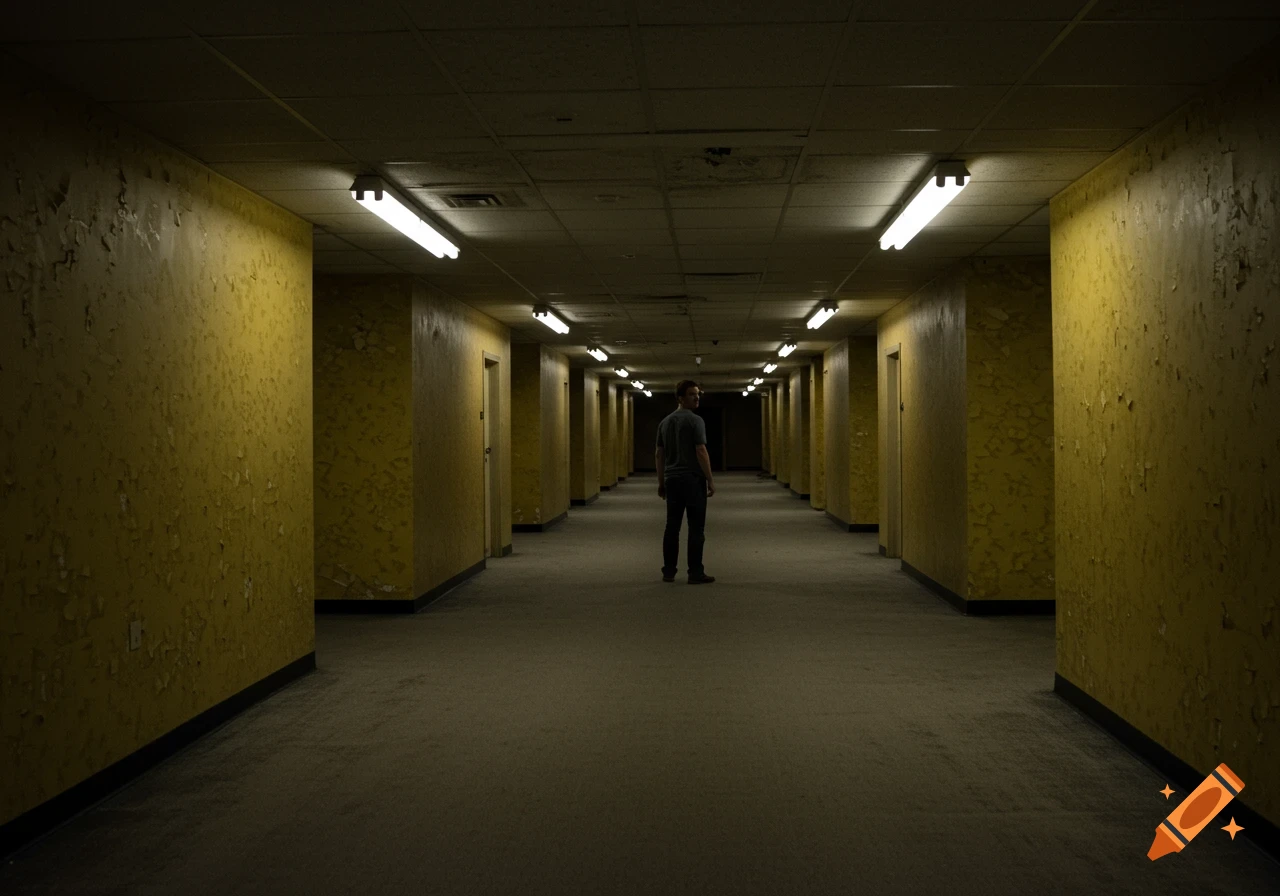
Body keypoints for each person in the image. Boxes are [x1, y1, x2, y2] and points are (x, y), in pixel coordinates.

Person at [655, 380, 715, 584]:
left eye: (697, 394)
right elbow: (701, 451)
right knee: (696, 528)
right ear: (680, 398)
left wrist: (661, 481)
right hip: (692, 480)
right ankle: (695, 572)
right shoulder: (695, 420)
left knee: (672, 526)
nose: (696, 397)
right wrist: (710, 479)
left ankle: (669, 571)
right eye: (691, 394)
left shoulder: (664, 422)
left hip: (672, 480)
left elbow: (659, 454)